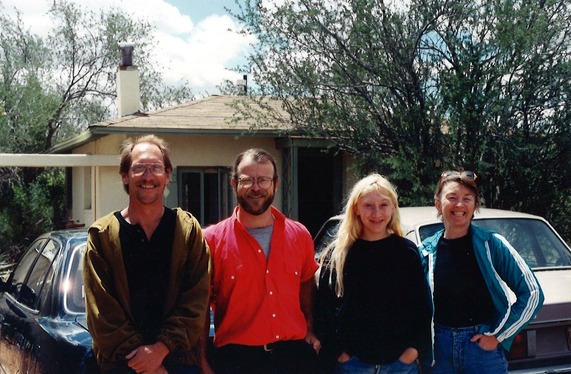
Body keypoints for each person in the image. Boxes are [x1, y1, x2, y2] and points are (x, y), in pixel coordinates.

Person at [83, 134, 211, 374]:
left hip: (178, 363)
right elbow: (102, 312)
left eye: (155, 168)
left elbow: (197, 299)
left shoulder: (189, 231)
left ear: (168, 175)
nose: (148, 176)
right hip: (121, 364)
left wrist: (161, 349)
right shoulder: (102, 236)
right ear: (124, 175)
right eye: (139, 168)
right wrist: (147, 364)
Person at [201, 148, 320, 374]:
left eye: (263, 180)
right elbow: (201, 306)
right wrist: (202, 360)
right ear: (234, 184)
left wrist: (310, 328)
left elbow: (306, 284)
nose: (256, 188)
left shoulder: (300, 235)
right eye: (247, 180)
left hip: (294, 358)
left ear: (275, 184)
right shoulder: (212, 240)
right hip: (236, 361)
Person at [419, 170, 545, 374]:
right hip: (439, 350)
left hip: (481, 349)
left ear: (475, 205)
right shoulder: (426, 251)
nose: (459, 205)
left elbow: (533, 293)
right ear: (438, 204)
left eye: (467, 199)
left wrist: (498, 336)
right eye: (451, 197)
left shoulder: (492, 244)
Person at [314, 173, 432, 374]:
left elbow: (421, 307)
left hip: (400, 365)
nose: (376, 212)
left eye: (384, 205)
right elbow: (323, 308)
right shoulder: (338, 254)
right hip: (352, 365)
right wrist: (339, 352)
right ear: (356, 209)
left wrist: (413, 350)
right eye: (368, 205)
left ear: (394, 207)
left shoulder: (407, 252)